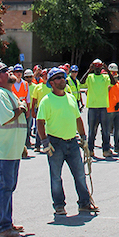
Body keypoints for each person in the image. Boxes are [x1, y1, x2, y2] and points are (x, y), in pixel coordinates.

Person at [36, 67, 97, 216]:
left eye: (63, 77)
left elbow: (78, 119)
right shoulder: (46, 101)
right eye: (58, 78)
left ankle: (84, 203)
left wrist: (83, 138)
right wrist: (44, 142)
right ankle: (59, 205)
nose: (62, 80)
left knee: (80, 174)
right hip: (55, 143)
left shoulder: (70, 98)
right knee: (56, 177)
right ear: (51, 82)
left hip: (72, 142)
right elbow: (40, 122)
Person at [0, 62, 28, 237]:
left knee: (9, 186)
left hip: (11, 149)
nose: (9, 72)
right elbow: (7, 117)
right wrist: (21, 108)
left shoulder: (9, 93)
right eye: (4, 71)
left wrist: (21, 145)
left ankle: (6, 222)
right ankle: (2, 226)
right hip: (3, 150)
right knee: (4, 187)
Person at [83, 59, 112, 159]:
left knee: (105, 130)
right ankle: (90, 150)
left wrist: (107, 70)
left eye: (99, 68)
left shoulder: (105, 77)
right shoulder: (90, 77)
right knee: (92, 131)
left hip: (103, 106)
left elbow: (113, 82)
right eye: (96, 68)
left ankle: (106, 149)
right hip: (92, 107)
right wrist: (89, 70)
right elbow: (82, 82)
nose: (97, 70)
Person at [107, 63, 119, 154]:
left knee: (117, 129)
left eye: (115, 72)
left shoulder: (117, 83)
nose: (114, 74)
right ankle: (107, 146)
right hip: (108, 110)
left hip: (118, 110)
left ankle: (117, 145)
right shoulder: (106, 84)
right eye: (112, 73)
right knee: (107, 130)